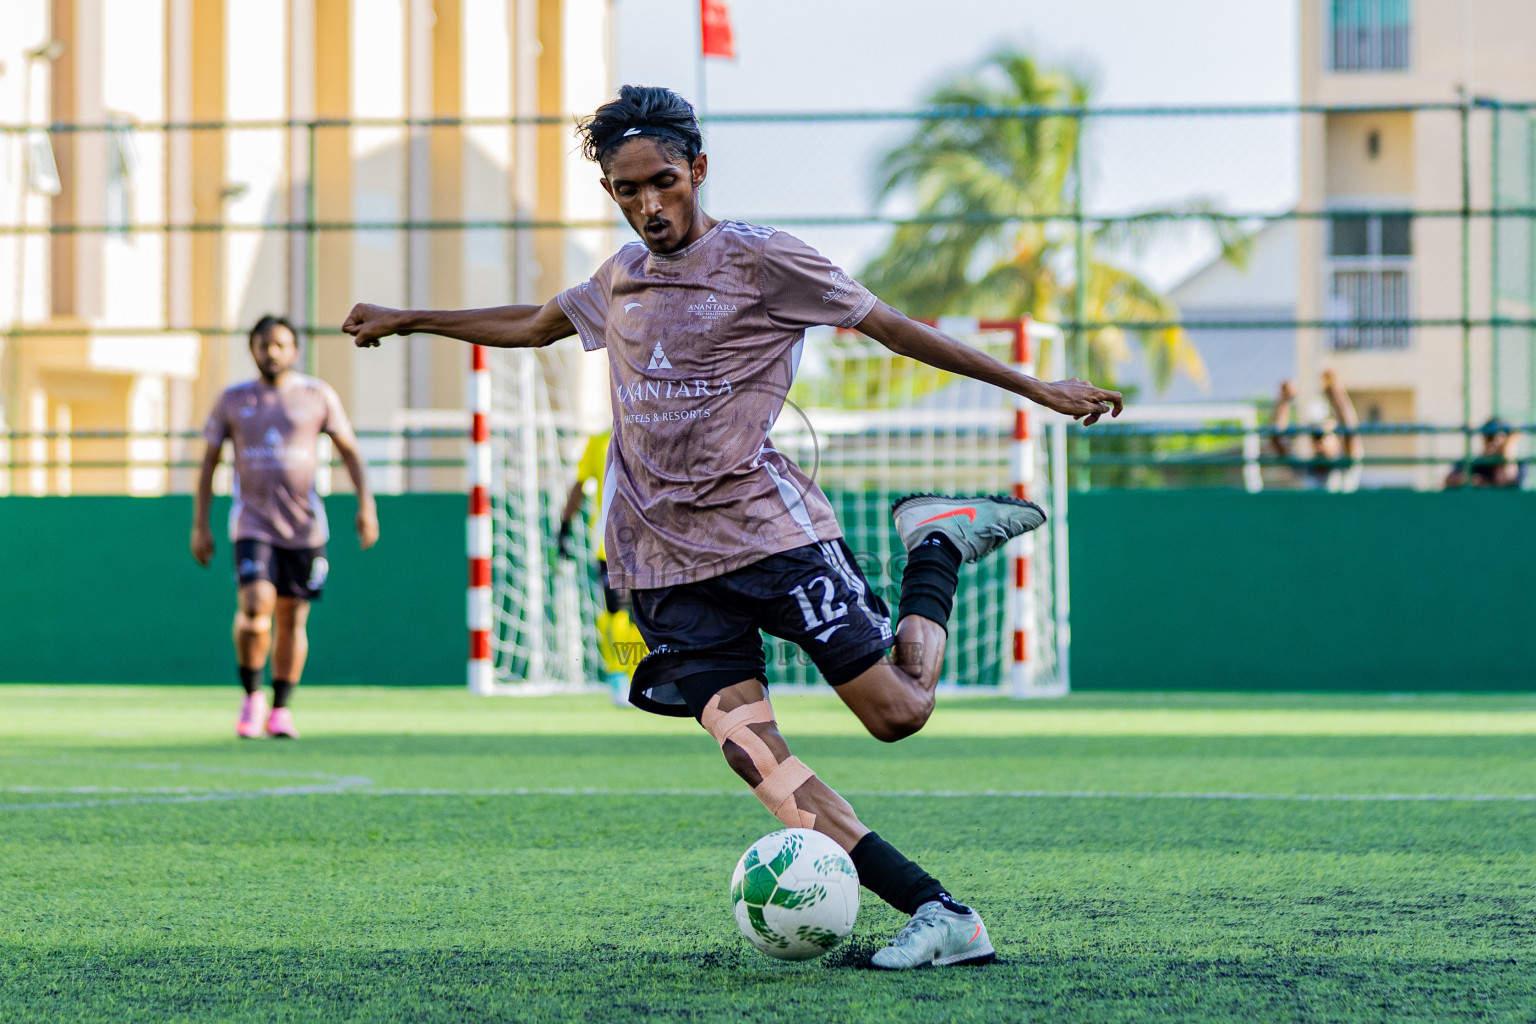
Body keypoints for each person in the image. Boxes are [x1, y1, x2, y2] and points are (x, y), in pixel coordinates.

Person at [343, 85, 1120, 969]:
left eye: (662, 182)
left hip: (771, 540)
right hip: (660, 569)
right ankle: (941, 914)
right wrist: (410, 319)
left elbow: (897, 330)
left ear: (698, 171)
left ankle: (935, 545)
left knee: (899, 713)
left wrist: (1039, 389)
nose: (647, 205)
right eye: (626, 189)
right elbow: (530, 324)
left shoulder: (765, 261)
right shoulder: (619, 278)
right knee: (764, 766)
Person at [192, 315, 379, 739]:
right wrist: (200, 524)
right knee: (256, 608)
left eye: (280, 345)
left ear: (294, 350)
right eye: (263, 345)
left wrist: (365, 505)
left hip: (305, 529)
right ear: (252, 350)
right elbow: (208, 463)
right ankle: (251, 696)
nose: (271, 352)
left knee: (293, 617)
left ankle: (280, 708)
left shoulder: (317, 395)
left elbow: (350, 451)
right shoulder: (233, 399)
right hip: (252, 524)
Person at [557, 429, 648, 705]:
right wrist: (565, 526)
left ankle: (636, 676)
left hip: (643, 543)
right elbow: (581, 485)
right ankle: (619, 676)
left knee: (639, 613)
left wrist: (564, 527)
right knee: (621, 610)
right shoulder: (601, 441)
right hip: (615, 545)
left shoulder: (640, 436)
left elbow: (579, 486)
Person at [1270, 369, 1363, 492]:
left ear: (1337, 439)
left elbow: (1351, 432)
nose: (1319, 440)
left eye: (1324, 435)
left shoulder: (1345, 467)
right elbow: (1277, 439)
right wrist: (1285, 400)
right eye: (1315, 436)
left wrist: (1333, 390)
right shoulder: (1305, 470)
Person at [1445, 417, 1525, 488]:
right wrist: (1475, 480)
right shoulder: (1475, 462)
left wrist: (1508, 450)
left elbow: (1505, 480)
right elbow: (1450, 479)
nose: (1493, 442)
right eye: (1489, 438)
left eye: (1498, 437)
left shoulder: (1517, 464)